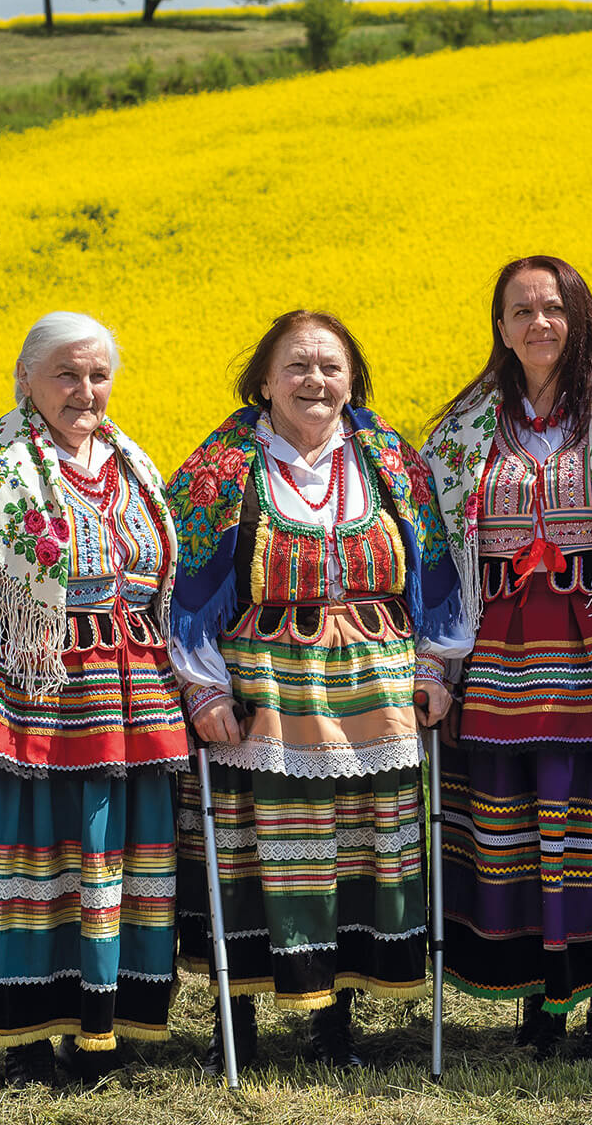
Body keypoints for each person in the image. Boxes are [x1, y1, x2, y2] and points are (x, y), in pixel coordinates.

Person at [165, 309, 462, 1072]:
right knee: (250, 855)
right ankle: (240, 1029)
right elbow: (182, 591)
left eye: (330, 366)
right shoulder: (220, 468)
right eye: (296, 366)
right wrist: (203, 689)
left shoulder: (392, 460)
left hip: (374, 693)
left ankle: (336, 1024)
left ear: (352, 378)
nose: (315, 381)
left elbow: (434, 573)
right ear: (263, 381)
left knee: (356, 855)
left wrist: (433, 668)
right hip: (265, 694)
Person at [0, 312, 188, 1088]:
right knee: (34, 860)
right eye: (67, 373)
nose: (85, 390)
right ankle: (24, 1034)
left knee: (119, 858)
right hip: (33, 698)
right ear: (25, 377)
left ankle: (107, 1031)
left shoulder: (131, 460)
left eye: (98, 375)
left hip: (131, 697)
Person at [420, 255, 592, 1058]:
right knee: (510, 826)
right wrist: (438, 665)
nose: (538, 322)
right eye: (520, 310)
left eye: (553, 307)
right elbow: (435, 556)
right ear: (499, 326)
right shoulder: (460, 432)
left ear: (580, 318)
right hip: (499, 651)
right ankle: (535, 1000)